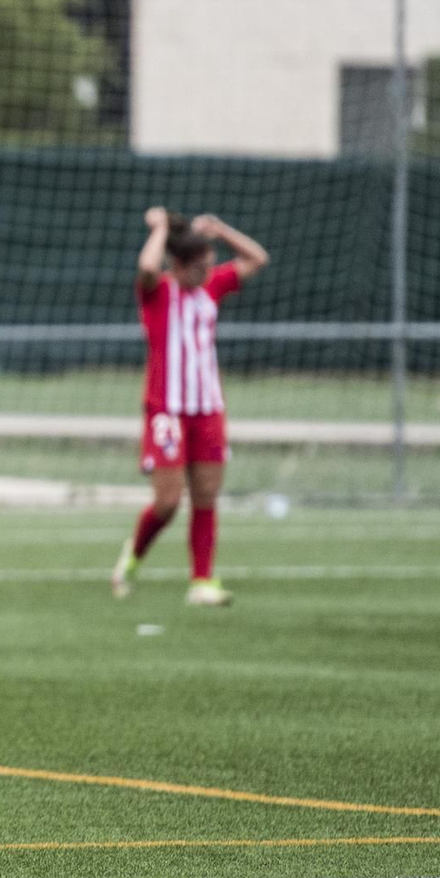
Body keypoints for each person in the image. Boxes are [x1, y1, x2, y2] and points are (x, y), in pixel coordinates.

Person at [112, 208, 271, 606]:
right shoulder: (158, 291)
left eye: (208, 266)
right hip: (166, 409)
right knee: (167, 502)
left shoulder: (212, 288)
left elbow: (257, 259)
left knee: (206, 495)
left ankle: (202, 581)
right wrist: (161, 227)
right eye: (198, 267)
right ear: (178, 265)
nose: (205, 273)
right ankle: (133, 555)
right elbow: (147, 266)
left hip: (208, 408)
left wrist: (220, 229)